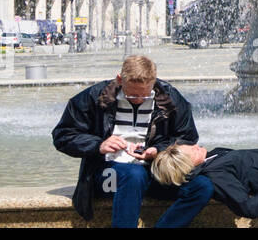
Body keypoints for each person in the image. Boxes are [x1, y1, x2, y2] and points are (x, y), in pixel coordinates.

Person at [51, 55, 213, 228]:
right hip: (107, 173)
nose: (139, 99)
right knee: (134, 175)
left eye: (145, 94)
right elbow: (63, 135)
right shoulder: (94, 97)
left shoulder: (170, 98)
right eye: (133, 94)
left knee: (202, 186)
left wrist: (158, 150)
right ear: (120, 79)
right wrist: (99, 145)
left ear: (154, 80)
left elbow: (188, 136)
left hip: (154, 170)